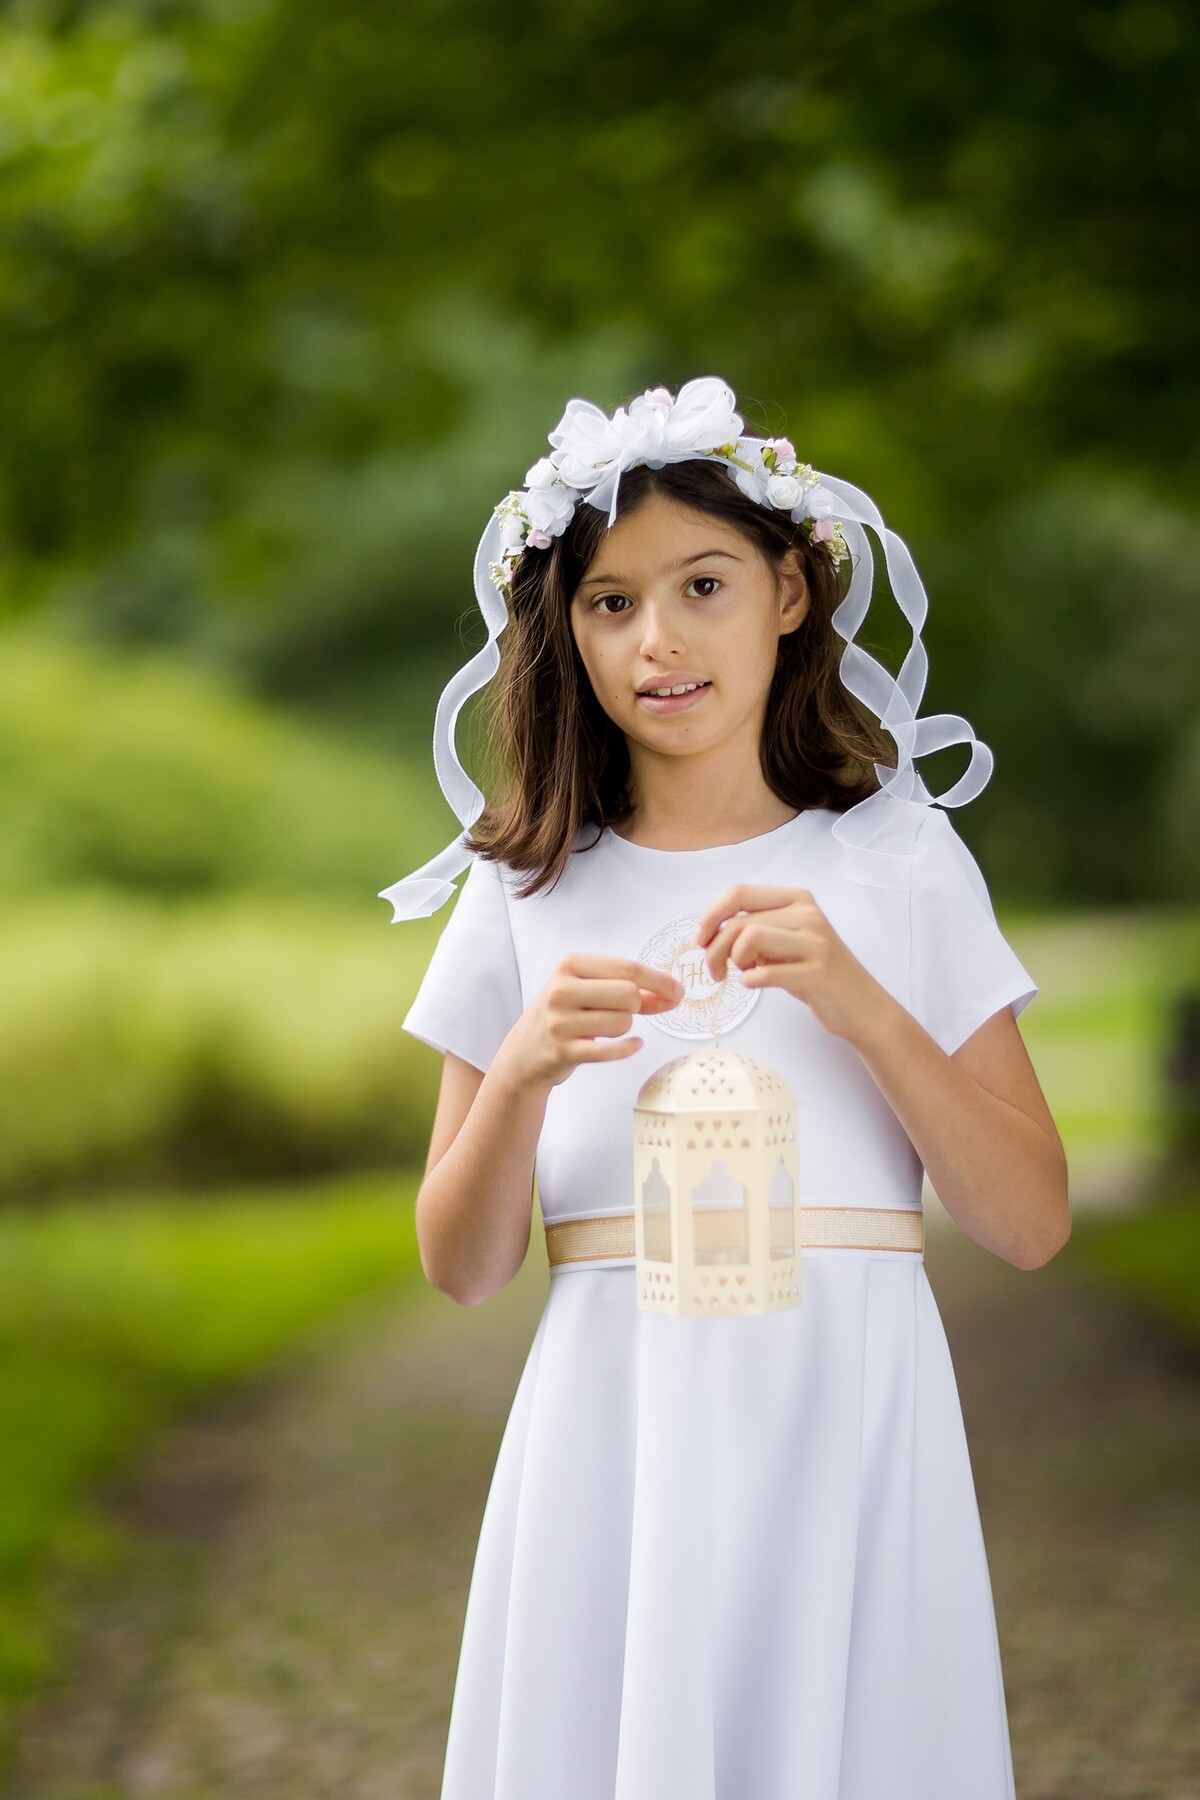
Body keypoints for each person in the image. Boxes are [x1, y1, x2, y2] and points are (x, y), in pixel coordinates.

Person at [381, 378, 1069, 1800]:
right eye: (610, 605)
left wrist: (867, 1009)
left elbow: (1031, 1221)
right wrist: (518, 1071)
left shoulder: (898, 862)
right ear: (563, 633)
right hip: (615, 1430)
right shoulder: (524, 888)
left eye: (703, 585)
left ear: (793, 592)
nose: (660, 641)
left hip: (848, 1412)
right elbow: (459, 1266)